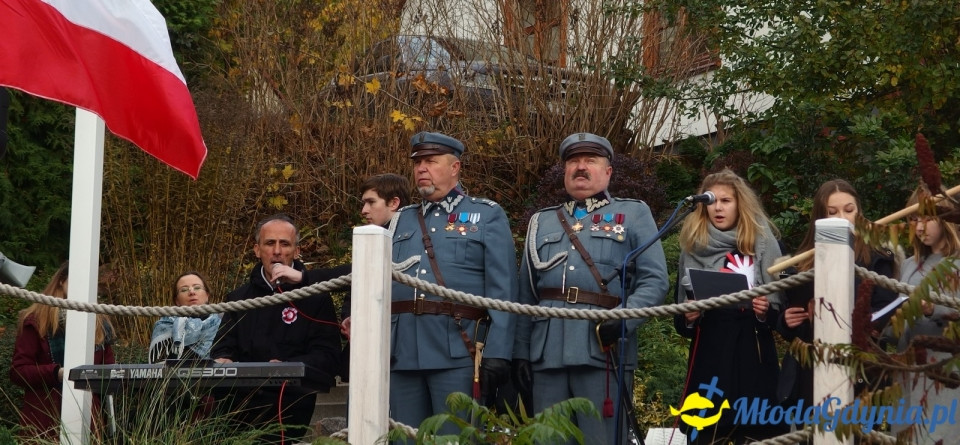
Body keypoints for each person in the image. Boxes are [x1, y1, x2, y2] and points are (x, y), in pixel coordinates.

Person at [513, 132, 669, 445]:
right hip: (547, 353)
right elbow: (526, 294)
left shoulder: (633, 214)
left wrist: (624, 320)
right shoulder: (541, 221)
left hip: (601, 348)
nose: (580, 167)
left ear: (608, 172)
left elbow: (654, 280)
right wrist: (519, 354)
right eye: (573, 161)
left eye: (590, 161)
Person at [388, 131, 517, 431]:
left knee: (454, 437)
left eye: (431, 161)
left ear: (455, 168)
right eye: (417, 162)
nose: (421, 168)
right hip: (402, 352)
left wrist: (499, 353)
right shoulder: (400, 220)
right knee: (404, 438)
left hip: (458, 352)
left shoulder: (485, 216)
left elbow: (504, 291)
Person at [211, 213, 346, 443]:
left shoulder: (316, 297)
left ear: (296, 250)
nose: (276, 251)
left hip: (290, 400)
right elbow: (222, 349)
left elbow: (329, 355)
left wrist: (288, 367)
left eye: (284, 244)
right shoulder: (238, 298)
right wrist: (224, 360)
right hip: (239, 402)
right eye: (269, 243)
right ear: (256, 249)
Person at [673, 168, 785, 444]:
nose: (717, 208)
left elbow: (780, 313)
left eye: (726, 201)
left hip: (753, 355)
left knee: (755, 432)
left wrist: (764, 312)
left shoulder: (763, 242)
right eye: (711, 201)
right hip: (709, 354)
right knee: (708, 433)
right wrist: (689, 316)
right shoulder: (692, 245)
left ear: (740, 204)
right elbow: (680, 321)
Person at [776, 179, 898, 406]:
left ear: (859, 213)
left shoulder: (876, 258)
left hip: (861, 369)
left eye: (849, 210)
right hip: (812, 371)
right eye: (833, 212)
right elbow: (791, 323)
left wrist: (858, 321)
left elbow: (886, 312)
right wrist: (788, 321)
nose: (842, 218)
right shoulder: (803, 262)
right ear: (820, 218)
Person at [9, 261, 116, 440]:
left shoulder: (100, 323)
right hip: (45, 420)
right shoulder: (35, 320)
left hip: (87, 418)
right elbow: (18, 372)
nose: (82, 285)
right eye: (78, 279)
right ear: (61, 281)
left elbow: (109, 371)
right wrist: (56, 373)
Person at [889, 186, 960, 443]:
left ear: (946, 218)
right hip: (907, 371)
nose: (920, 227)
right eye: (914, 219)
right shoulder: (908, 264)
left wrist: (934, 308)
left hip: (943, 374)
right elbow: (897, 323)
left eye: (928, 218)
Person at [149, 271, 222, 363]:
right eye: (184, 290)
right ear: (177, 301)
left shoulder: (223, 323)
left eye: (197, 288)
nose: (191, 292)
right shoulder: (164, 324)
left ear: (207, 295)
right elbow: (160, 361)